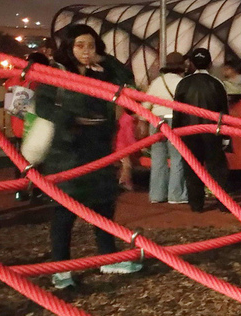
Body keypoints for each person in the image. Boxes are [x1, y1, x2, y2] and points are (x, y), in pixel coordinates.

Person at [35, 24, 141, 289]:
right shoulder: (56, 73)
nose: (85, 51)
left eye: (91, 45)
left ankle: (107, 257)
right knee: (65, 210)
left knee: (104, 205)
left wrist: (105, 59)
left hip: (98, 146)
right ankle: (61, 269)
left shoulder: (100, 73)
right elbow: (42, 105)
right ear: (68, 48)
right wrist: (70, 120)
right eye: (79, 45)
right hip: (68, 149)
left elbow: (127, 80)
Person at [173, 48, 229, 213]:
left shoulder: (183, 83)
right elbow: (224, 112)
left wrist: (175, 132)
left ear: (191, 63)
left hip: (189, 133)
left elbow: (177, 111)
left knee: (192, 169)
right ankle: (223, 204)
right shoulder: (217, 84)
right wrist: (225, 136)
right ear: (210, 63)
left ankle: (196, 205)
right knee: (217, 170)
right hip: (212, 133)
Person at [4, 51, 50, 201]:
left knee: (20, 162)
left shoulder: (15, 78)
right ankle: (37, 192)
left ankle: (21, 191)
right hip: (31, 128)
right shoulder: (35, 82)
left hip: (18, 128)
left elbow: (13, 109)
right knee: (38, 162)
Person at [143, 52, 188, 204]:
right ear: (182, 66)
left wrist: (142, 121)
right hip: (175, 121)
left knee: (157, 159)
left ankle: (157, 195)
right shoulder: (183, 82)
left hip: (156, 121)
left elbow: (145, 105)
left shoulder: (157, 82)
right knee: (177, 158)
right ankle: (176, 195)